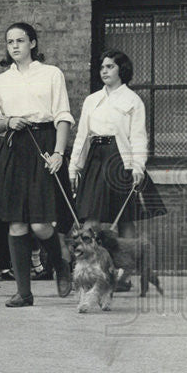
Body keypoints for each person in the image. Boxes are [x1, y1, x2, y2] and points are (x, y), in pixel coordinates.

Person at [0, 22, 73, 307]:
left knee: (40, 224)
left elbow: (62, 115)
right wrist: (8, 121)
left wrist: (59, 153)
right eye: (10, 41)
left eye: (20, 41)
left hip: (44, 145)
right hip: (14, 146)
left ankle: (60, 264)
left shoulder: (51, 74)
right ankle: (24, 292)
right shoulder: (1, 81)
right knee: (17, 224)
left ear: (33, 43)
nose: (14, 46)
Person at [70, 51, 166, 245]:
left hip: (120, 160)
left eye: (110, 67)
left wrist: (138, 167)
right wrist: (74, 167)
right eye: (102, 67)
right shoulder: (92, 100)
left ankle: (126, 271)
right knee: (91, 217)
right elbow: (82, 136)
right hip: (95, 160)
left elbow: (138, 137)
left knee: (125, 218)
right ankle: (90, 269)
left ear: (121, 69)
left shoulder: (133, 101)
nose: (104, 71)